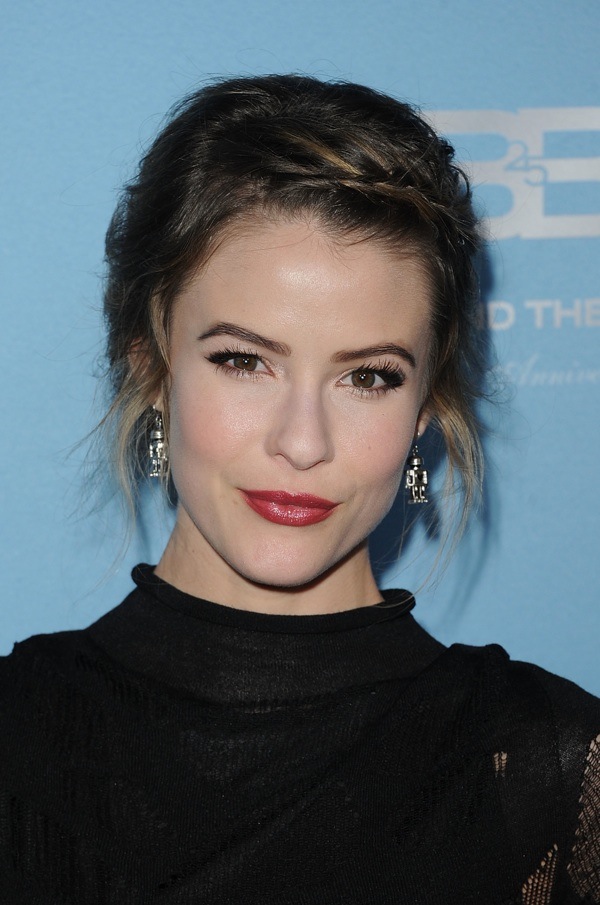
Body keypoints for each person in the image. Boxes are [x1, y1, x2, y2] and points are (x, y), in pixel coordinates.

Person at [0, 74, 598, 905]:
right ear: (151, 363)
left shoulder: (547, 771)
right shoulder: (15, 739)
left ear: (427, 406)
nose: (303, 442)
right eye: (244, 360)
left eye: (369, 376)